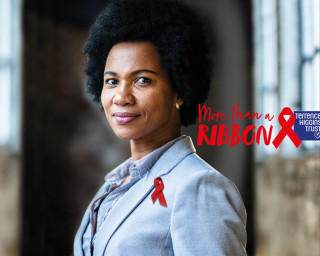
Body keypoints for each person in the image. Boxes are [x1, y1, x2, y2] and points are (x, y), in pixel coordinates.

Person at [74, 0, 247, 255]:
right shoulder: (115, 184)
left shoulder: (199, 187)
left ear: (179, 89)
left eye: (142, 80)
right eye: (112, 81)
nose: (121, 96)